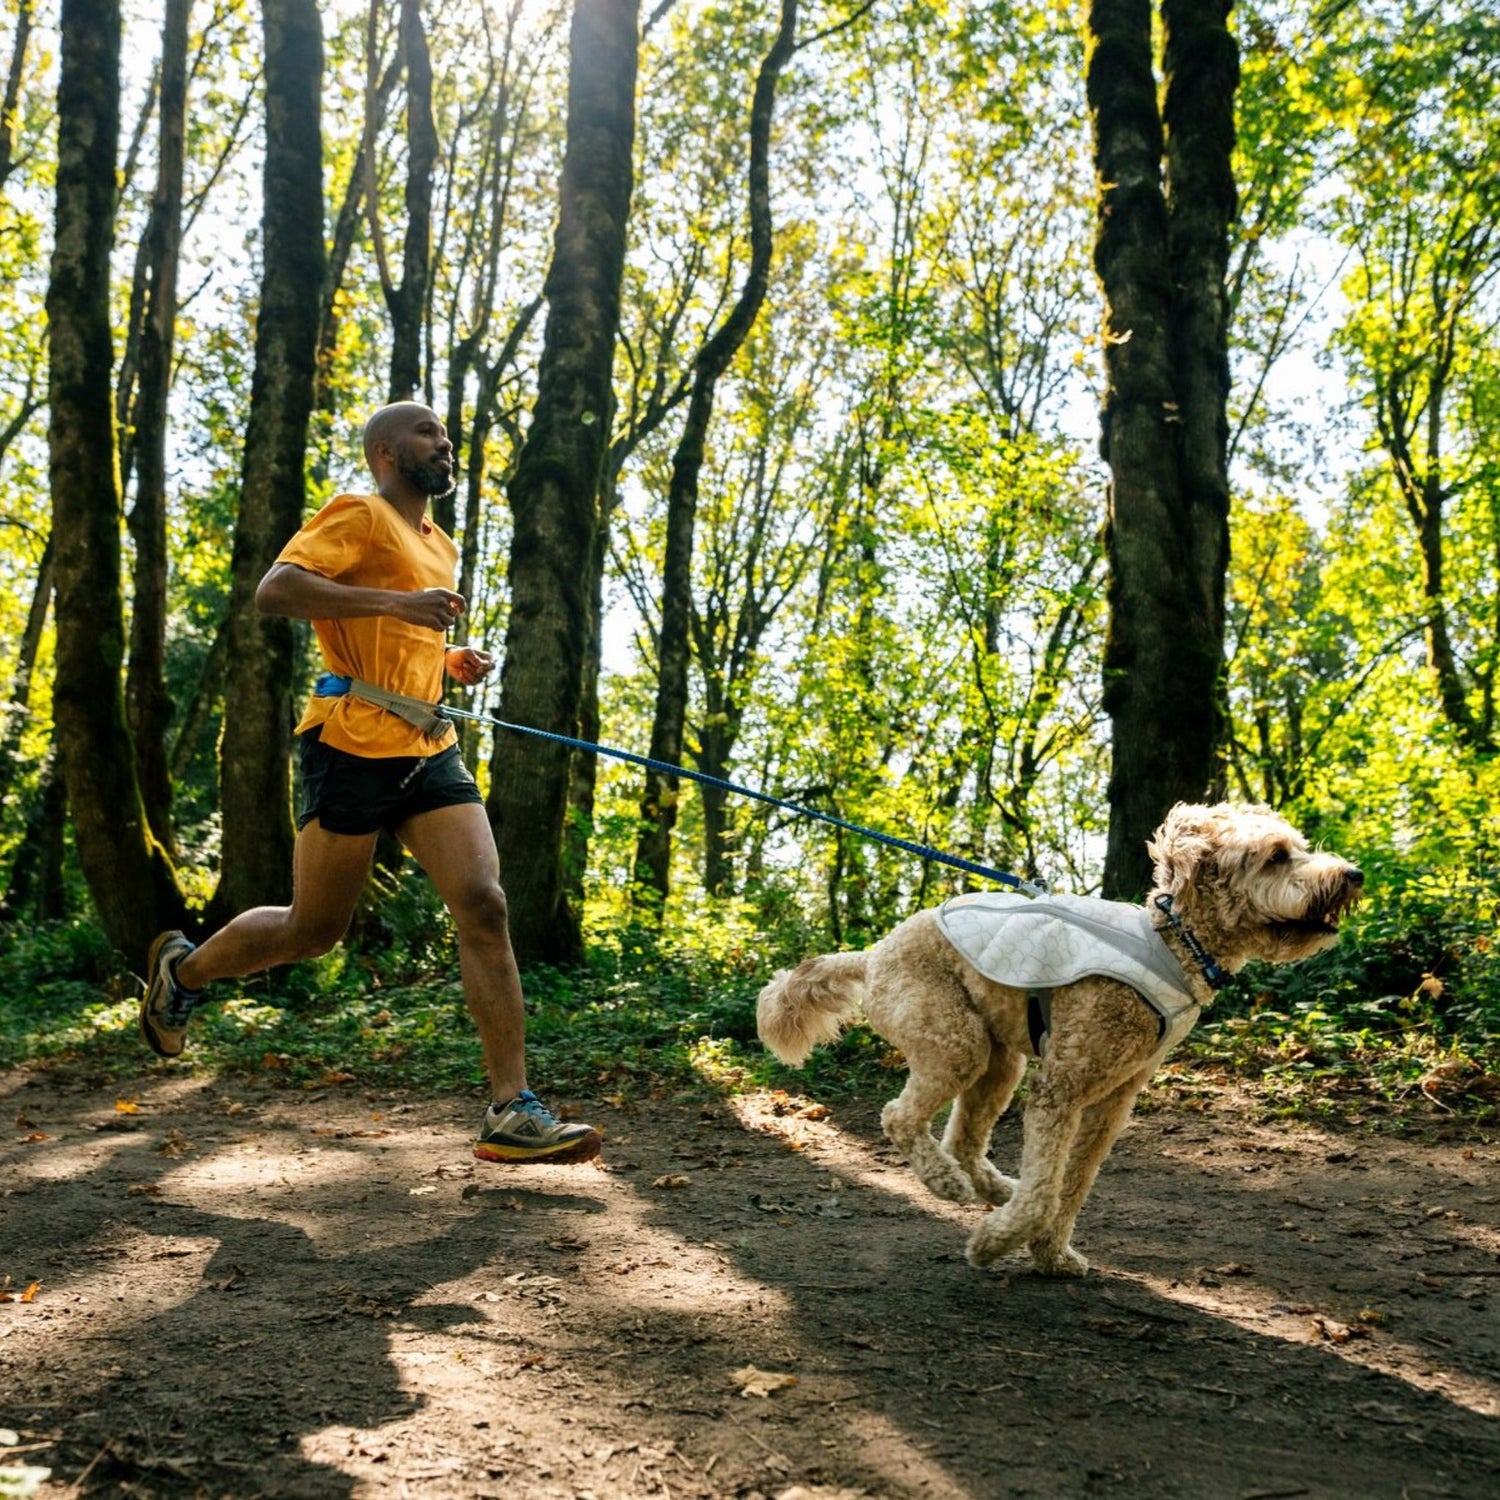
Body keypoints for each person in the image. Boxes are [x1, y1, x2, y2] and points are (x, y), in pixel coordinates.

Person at [139, 401, 602, 1166]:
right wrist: (396, 603)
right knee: (313, 931)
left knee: (484, 904)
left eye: (447, 437)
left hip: (426, 742)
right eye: (429, 434)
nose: (445, 445)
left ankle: (510, 1110)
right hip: (350, 740)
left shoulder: (439, 542)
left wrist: (446, 660)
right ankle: (183, 970)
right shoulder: (358, 511)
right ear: (386, 451)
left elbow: (392, 635)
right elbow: (277, 590)